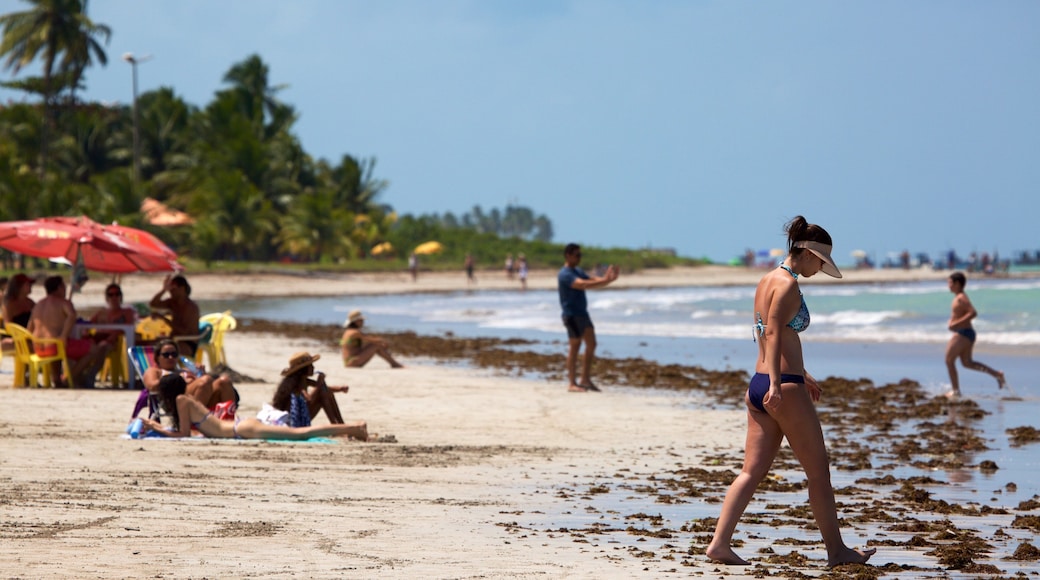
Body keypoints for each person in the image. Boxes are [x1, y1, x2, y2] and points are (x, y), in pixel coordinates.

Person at [706, 216, 875, 568]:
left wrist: (801, 373)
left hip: (759, 384)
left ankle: (719, 544)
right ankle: (837, 551)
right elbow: (771, 333)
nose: (820, 270)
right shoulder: (787, 286)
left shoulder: (766, 280)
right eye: (821, 262)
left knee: (751, 471)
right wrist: (779, 384)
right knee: (819, 473)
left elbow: (767, 332)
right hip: (780, 387)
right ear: (809, 253)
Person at [141, 373, 368, 441]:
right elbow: (187, 432)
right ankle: (353, 428)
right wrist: (157, 427)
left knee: (300, 433)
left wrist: (156, 428)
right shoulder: (186, 399)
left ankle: (355, 428)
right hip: (240, 427)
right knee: (299, 433)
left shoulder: (182, 400)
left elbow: (182, 434)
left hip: (241, 429)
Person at [27, 275, 111, 388]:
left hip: (38, 347)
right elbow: (72, 315)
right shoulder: (63, 302)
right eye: (64, 286)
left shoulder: (38, 305)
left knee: (58, 346)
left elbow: (29, 329)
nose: (65, 289)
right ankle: (68, 378)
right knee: (93, 349)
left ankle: (57, 378)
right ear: (59, 288)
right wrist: (64, 335)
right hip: (54, 346)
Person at [557, 243, 619, 392]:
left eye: (580, 255)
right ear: (568, 256)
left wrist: (607, 279)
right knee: (575, 347)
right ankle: (572, 383)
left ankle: (585, 379)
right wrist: (605, 280)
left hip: (583, 313)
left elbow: (591, 280)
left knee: (591, 343)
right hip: (571, 315)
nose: (579, 258)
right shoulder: (565, 274)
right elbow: (582, 284)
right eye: (577, 255)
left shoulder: (577, 270)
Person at [944, 271, 1006, 398]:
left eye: (950, 282)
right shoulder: (958, 297)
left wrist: (955, 324)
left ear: (957, 283)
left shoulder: (961, 297)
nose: (948, 285)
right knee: (967, 363)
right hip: (966, 333)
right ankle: (997, 374)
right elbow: (959, 314)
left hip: (963, 333)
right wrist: (952, 322)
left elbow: (972, 313)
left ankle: (955, 391)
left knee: (949, 360)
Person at [142, 338, 237, 415]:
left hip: (199, 399)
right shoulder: (154, 371)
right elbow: (152, 386)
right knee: (205, 381)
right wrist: (178, 380)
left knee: (224, 381)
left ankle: (228, 421)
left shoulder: (185, 370)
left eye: (174, 354)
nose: (171, 357)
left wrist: (201, 374)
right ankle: (195, 421)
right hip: (176, 401)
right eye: (166, 355)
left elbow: (206, 385)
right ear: (157, 357)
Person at [260, 352, 348, 427]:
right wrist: (319, 383)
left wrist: (340, 388)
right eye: (311, 366)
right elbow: (308, 400)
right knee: (323, 393)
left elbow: (322, 387)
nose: (313, 368)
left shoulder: (302, 379)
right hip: (292, 420)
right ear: (304, 369)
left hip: (298, 416)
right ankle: (337, 426)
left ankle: (341, 425)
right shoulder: (296, 383)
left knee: (327, 393)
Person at [149, 274, 201, 357]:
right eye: (169, 289)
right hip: (174, 340)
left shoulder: (191, 307)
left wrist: (163, 318)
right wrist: (164, 290)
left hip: (187, 342)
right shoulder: (173, 303)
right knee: (146, 344)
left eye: (173, 289)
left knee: (160, 351)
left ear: (182, 288)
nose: (170, 292)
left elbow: (184, 332)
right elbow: (153, 304)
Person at [90, 283, 138, 348]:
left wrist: (110, 338)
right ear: (107, 297)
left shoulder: (127, 312)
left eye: (117, 294)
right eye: (111, 295)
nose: (114, 297)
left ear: (121, 296)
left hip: (116, 342)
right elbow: (88, 324)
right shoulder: (102, 312)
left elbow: (128, 328)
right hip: (99, 339)